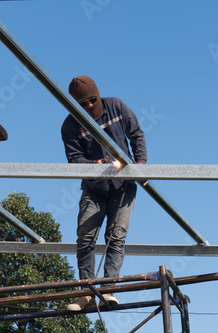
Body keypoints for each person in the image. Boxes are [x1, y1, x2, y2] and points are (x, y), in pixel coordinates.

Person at [61, 76, 147, 311]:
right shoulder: (69, 126)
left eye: (91, 100)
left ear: (98, 96)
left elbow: (136, 134)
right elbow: (75, 160)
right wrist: (94, 164)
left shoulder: (116, 106)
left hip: (123, 185)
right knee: (85, 237)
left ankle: (108, 288)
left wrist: (139, 165)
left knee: (115, 237)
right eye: (82, 104)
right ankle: (86, 293)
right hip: (94, 189)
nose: (88, 106)